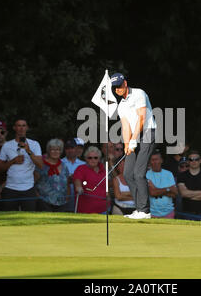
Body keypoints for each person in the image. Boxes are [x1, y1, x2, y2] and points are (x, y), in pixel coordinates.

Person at [111, 72, 157, 219]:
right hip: (133, 137)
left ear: (125, 83)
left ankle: (145, 211)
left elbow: (141, 118)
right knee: (128, 173)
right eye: (115, 88)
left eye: (119, 86)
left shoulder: (139, 93)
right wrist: (126, 144)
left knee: (139, 173)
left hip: (148, 133)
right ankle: (138, 209)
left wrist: (134, 140)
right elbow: (125, 126)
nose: (117, 89)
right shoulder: (121, 105)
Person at [0, 118, 43, 211]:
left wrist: (28, 150)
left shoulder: (34, 144)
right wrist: (13, 161)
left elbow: (41, 165)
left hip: (28, 188)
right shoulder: (7, 145)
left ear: (27, 128)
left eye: (23, 126)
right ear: (14, 128)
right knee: (8, 219)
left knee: (29, 219)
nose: (21, 128)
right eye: (19, 126)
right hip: (10, 188)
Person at [176, 150, 201, 221]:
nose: (194, 161)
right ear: (188, 161)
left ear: (200, 161)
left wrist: (190, 195)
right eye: (191, 159)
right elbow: (183, 193)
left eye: (196, 159)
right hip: (187, 213)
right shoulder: (182, 176)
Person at [35, 139, 70, 212]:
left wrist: (67, 198)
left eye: (57, 149)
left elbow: (67, 184)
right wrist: (38, 198)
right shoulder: (41, 165)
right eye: (52, 149)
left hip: (61, 202)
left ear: (61, 151)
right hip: (44, 202)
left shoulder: (64, 166)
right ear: (48, 151)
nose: (55, 152)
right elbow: (33, 182)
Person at [73, 146, 108, 214]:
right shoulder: (81, 169)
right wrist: (78, 187)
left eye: (95, 158)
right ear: (86, 159)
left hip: (104, 208)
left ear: (99, 159)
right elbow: (77, 180)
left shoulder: (103, 170)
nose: (93, 160)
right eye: (90, 158)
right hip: (86, 209)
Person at [146, 151, 178, 219]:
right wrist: (168, 189)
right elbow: (152, 193)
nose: (154, 162)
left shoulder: (169, 174)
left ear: (161, 160)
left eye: (156, 159)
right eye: (152, 160)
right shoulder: (146, 174)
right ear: (150, 162)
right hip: (152, 213)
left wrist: (156, 189)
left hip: (168, 212)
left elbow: (174, 194)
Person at [61, 138, 86, 212]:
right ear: (64, 150)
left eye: (72, 148)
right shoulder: (60, 162)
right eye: (67, 148)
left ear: (76, 149)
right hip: (63, 198)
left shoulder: (83, 164)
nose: (70, 150)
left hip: (79, 199)